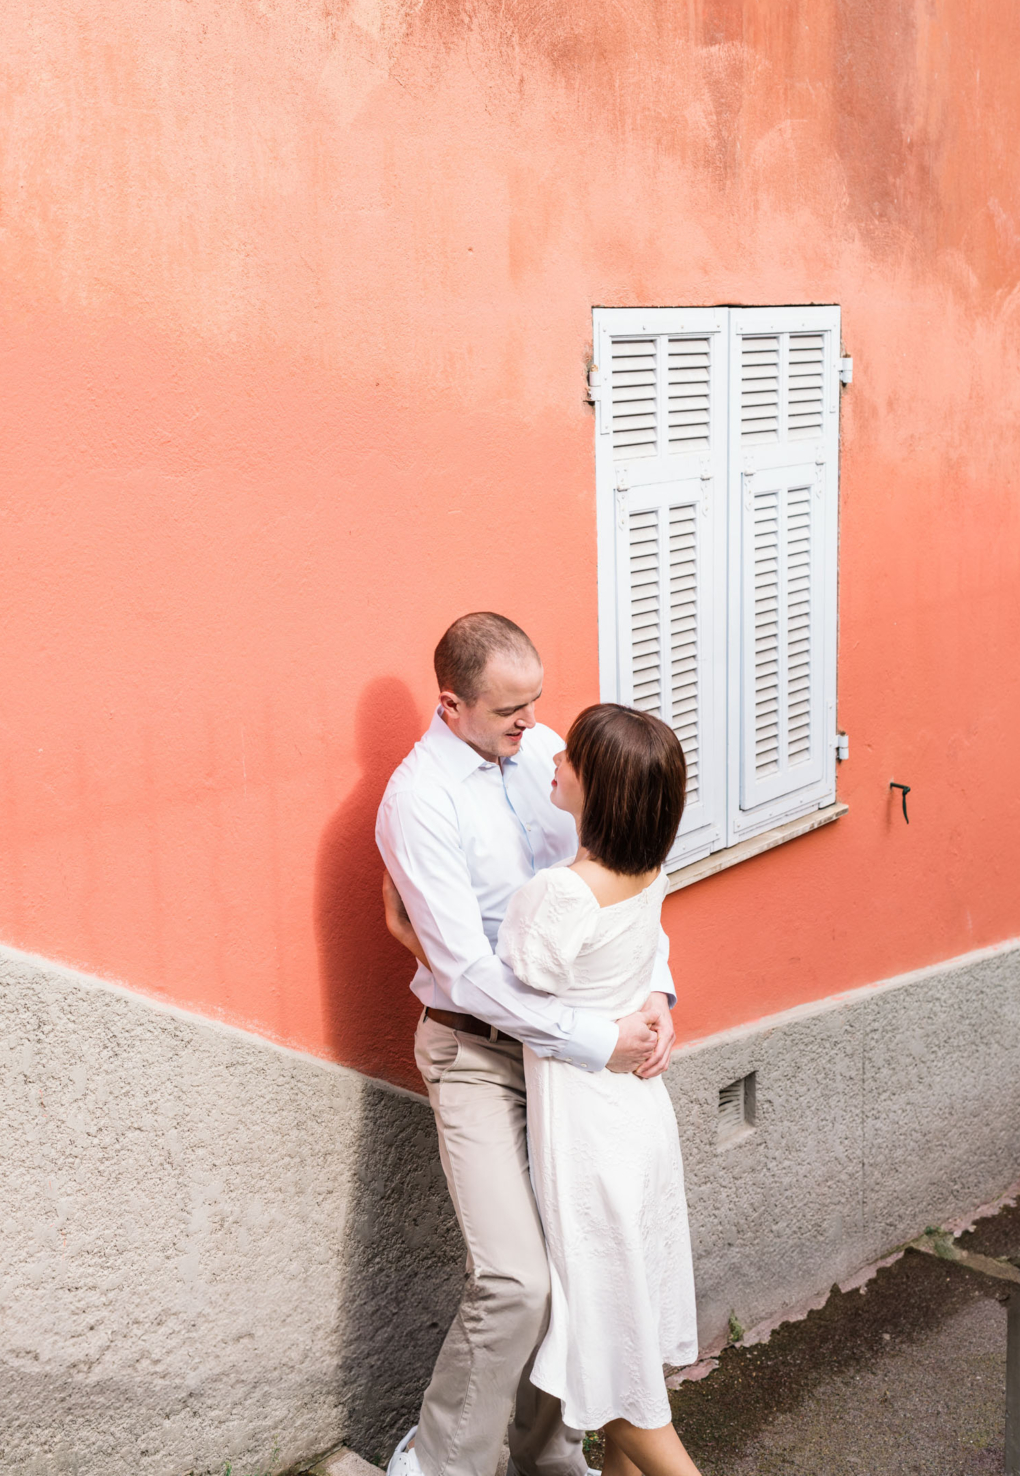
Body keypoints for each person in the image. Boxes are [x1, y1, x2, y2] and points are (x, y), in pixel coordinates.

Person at [375, 614, 678, 1476]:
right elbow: (466, 972)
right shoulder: (417, 801)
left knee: (579, 1265)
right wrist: (597, 1037)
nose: (535, 723)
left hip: (571, 1066)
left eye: (538, 699)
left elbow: (621, 877)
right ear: (452, 703)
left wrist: (655, 995)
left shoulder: (545, 752)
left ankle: (548, 1454)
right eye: (512, 707)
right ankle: (438, 1464)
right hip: (475, 1056)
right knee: (516, 1280)